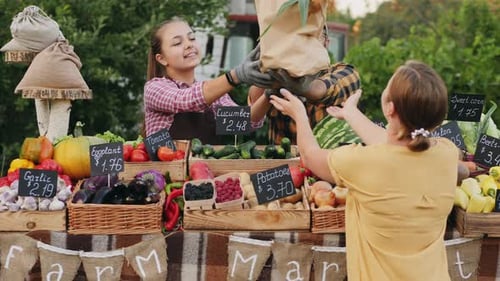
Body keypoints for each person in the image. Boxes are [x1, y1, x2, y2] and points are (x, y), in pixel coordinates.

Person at [269, 60, 459, 280]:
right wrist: (351, 114)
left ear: (390, 108)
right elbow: (399, 144)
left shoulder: (364, 162)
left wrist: (300, 115)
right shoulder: (447, 153)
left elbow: (311, 157)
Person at [144, 17, 273, 143]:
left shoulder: (214, 95)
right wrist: (236, 75)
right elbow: (185, 100)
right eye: (177, 43)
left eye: (192, 38)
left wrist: (268, 87)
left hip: (204, 165)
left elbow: (245, 121)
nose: (188, 45)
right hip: (167, 165)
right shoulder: (154, 88)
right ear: (161, 59)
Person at [248, 25, 361, 144]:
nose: (304, 45)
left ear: (326, 43)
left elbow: (322, 90)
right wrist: (266, 64)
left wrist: (298, 86)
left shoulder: (345, 71)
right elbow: (253, 115)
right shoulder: (277, 75)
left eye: (311, 37)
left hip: (328, 160)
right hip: (284, 160)